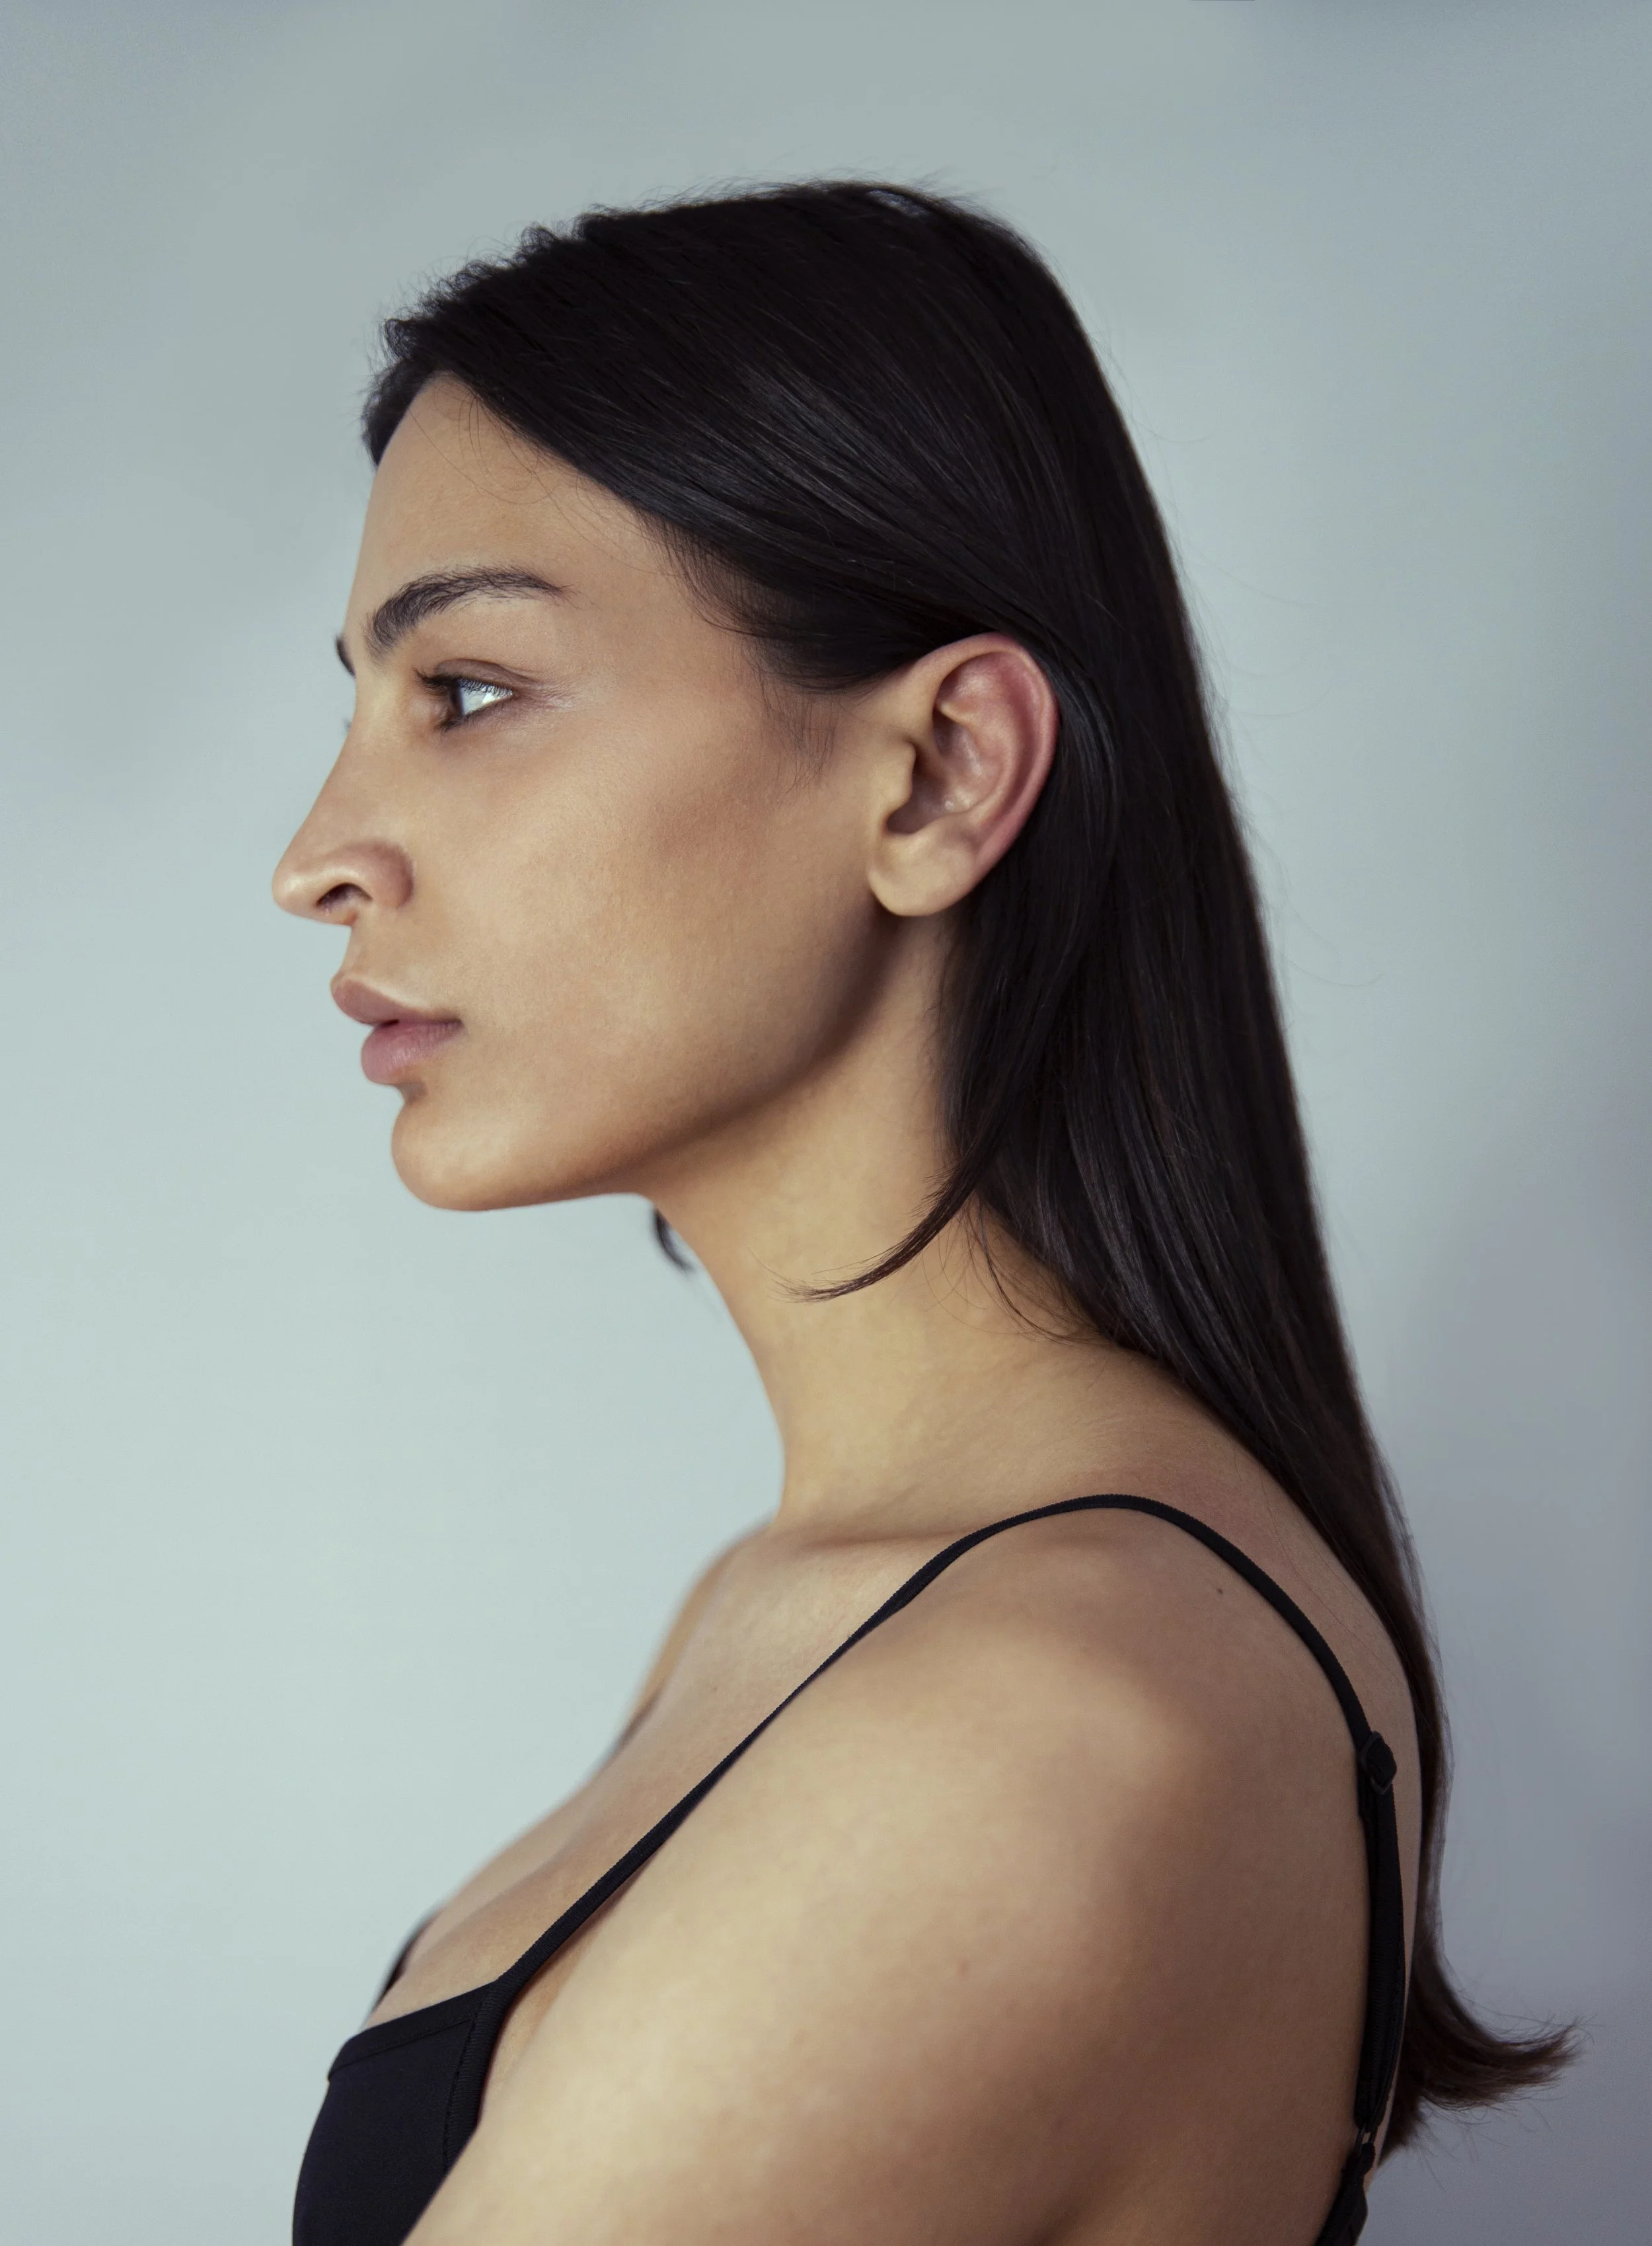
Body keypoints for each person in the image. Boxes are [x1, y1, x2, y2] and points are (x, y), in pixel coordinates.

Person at [273, 182, 1567, 2246]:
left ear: (941, 775)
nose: (318, 854)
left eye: (471, 690)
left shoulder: (1020, 1722)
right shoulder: (830, 1598)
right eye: (356, 699)